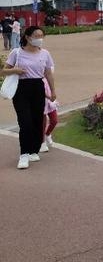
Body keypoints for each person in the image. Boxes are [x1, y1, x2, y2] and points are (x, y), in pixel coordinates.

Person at [3, 26, 56, 170]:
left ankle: (34, 150)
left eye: (41, 36)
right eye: (36, 36)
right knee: (25, 122)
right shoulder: (16, 52)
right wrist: (15, 70)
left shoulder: (45, 54)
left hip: (38, 88)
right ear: (27, 37)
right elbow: (3, 70)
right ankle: (24, 154)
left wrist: (52, 90)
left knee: (37, 121)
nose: (39, 39)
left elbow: (48, 74)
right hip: (21, 89)